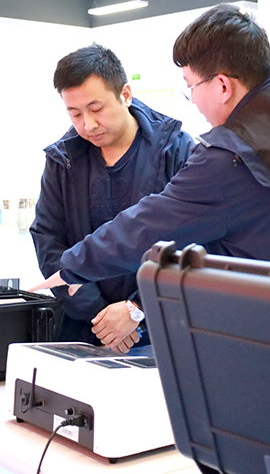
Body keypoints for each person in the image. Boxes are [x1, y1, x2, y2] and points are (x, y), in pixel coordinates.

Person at [32, 4, 270, 349]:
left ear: (222, 86)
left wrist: (73, 267)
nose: (193, 101)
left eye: (190, 87)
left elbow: (149, 225)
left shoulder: (229, 159)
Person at [29, 43, 195, 352]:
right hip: (84, 327)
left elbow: (195, 241)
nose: (88, 124)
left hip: (162, 330)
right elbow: (48, 239)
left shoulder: (176, 150)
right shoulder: (63, 159)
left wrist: (137, 308)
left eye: (96, 109)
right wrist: (100, 316)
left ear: (125, 95)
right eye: (75, 113)